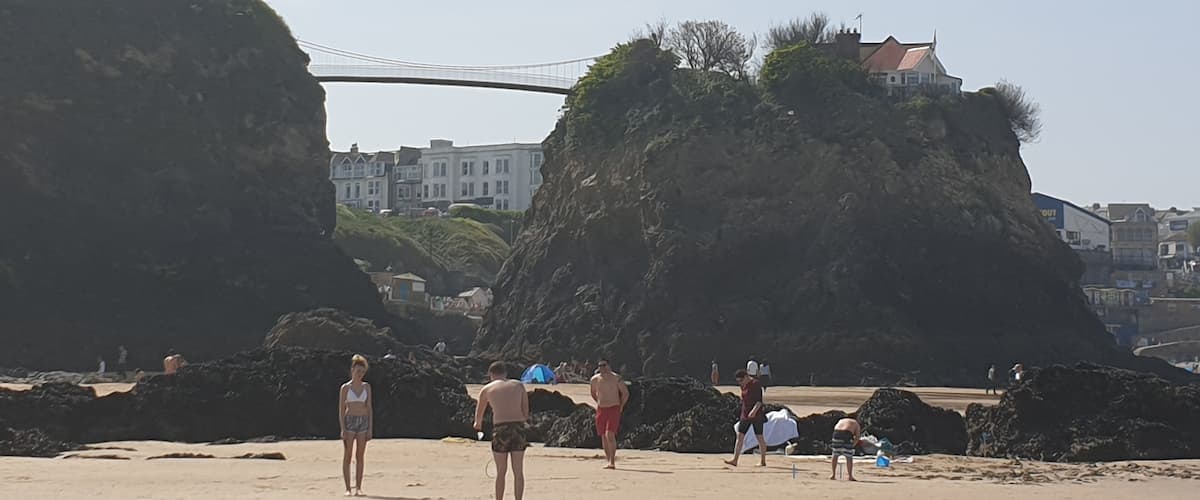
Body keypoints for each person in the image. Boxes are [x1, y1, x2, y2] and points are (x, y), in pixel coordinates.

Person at [474, 361, 530, 500]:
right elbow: (525, 411)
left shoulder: (486, 389)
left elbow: (478, 417)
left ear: (491, 374)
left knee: (501, 471)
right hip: (518, 427)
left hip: (500, 429)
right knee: (518, 471)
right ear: (505, 373)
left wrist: (478, 426)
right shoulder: (519, 385)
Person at [339, 354, 373, 497]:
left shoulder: (367, 387)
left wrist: (370, 428)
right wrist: (343, 428)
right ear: (352, 370)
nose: (360, 374)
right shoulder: (345, 388)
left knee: (360, 455)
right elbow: (341, 409)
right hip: (349, 421)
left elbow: (369, 408)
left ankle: (358, 487)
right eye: (358, 371)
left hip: (363, 421)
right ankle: (348, 488)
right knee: (348, 455)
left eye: (362, 372)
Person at [590, 358, 629, 470]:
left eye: (604, 365)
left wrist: (621, 406)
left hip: (614, 408)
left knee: (609, 434)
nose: (602, 368)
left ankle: (612, 461)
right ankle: (608, 460)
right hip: (601, 409)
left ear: (609, 366)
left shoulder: (616, 379)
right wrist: (598, 402)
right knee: (603, 435)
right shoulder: (595, 379)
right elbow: (593, 393)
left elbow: (625, 393)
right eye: (600, 366)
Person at [724, 369, 767, 467]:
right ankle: (735, 460)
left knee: (759, 437)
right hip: (745, 414)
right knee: (740, 436)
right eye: (738, 381)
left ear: (746, 377)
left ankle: (763, 461)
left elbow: (759, 401)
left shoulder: (756, 384)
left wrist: (754, 411)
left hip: (756, 415)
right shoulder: (743, 385)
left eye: (741, 380)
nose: (740, 383)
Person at [830, 414, 861, 481]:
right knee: (848, 457)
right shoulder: (855, 423)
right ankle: (850, 476)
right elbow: (857, 437)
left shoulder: (841, 420)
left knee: (835, 455)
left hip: (836, 433)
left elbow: (835, 428)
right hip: (846, 434)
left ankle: (833, 474)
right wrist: (852, 446)